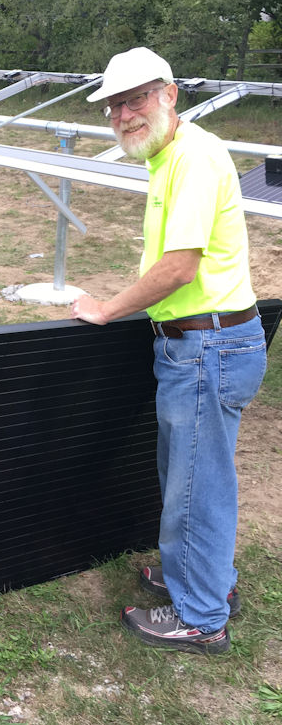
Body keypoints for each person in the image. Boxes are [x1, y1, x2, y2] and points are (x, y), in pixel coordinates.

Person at [71, 46, 266, 655]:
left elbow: (179, 268)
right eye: (114, 106)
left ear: (170, 94)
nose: (124, 114)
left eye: (136, 100)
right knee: (191, 478)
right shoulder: (171, 156)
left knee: (195, 486)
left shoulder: (191, 158)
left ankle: (201, 617)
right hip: (202, 345)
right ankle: (199, 577)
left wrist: (106, 309)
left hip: (207, 345)